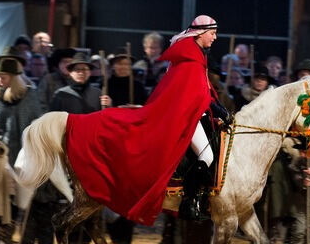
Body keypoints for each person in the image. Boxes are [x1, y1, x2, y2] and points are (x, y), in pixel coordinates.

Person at [62, 15, 230, 228]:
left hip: (192, 112)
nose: (215, 37)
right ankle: (190, 202)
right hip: (186, 116)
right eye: (212, 33)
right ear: (201, 33)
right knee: (207, 154)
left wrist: (216, 107)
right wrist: (215, 108)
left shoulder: (193, 54)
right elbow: (195, 96)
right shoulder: (191, 58)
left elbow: (200, 92)